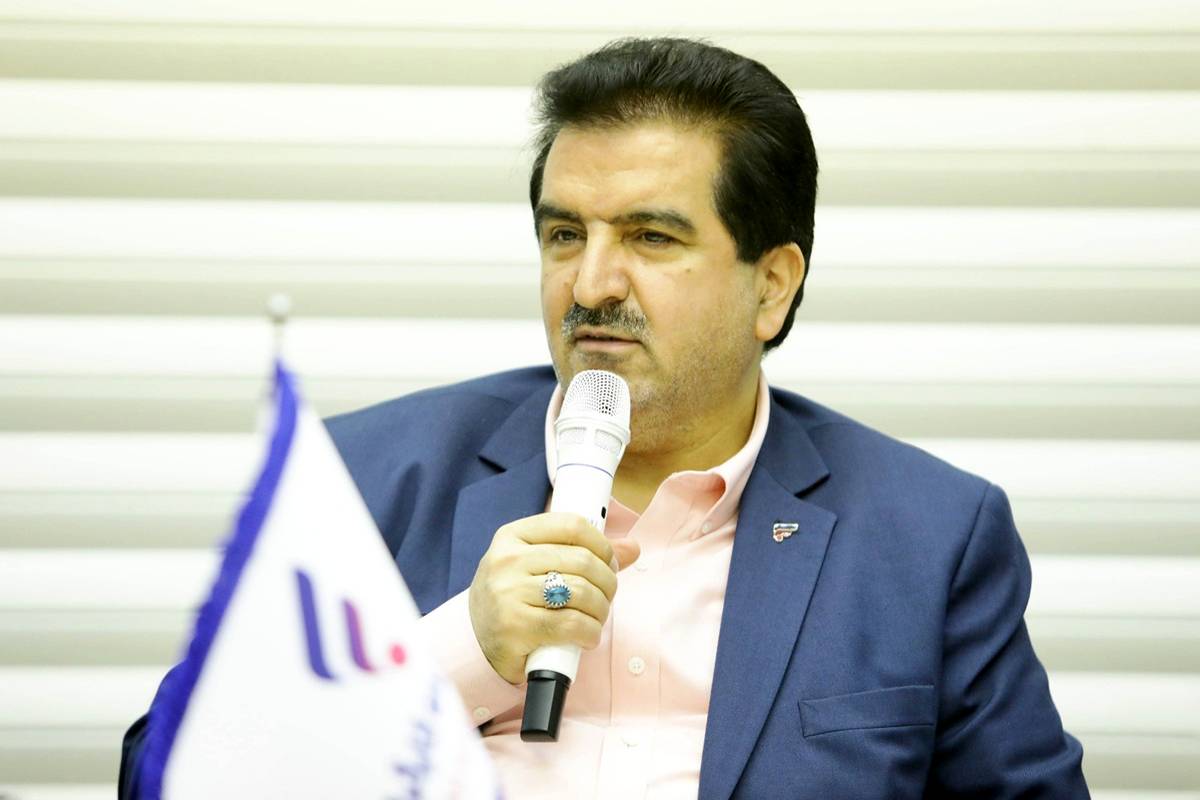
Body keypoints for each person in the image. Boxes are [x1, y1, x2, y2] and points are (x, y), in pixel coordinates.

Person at [121, 37, 1089, 798]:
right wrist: (453, 655)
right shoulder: (368, 477)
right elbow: (161, 773)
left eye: (650, 237)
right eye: (563, 234)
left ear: (772, 285)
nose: (589, 285)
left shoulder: (927, 532)